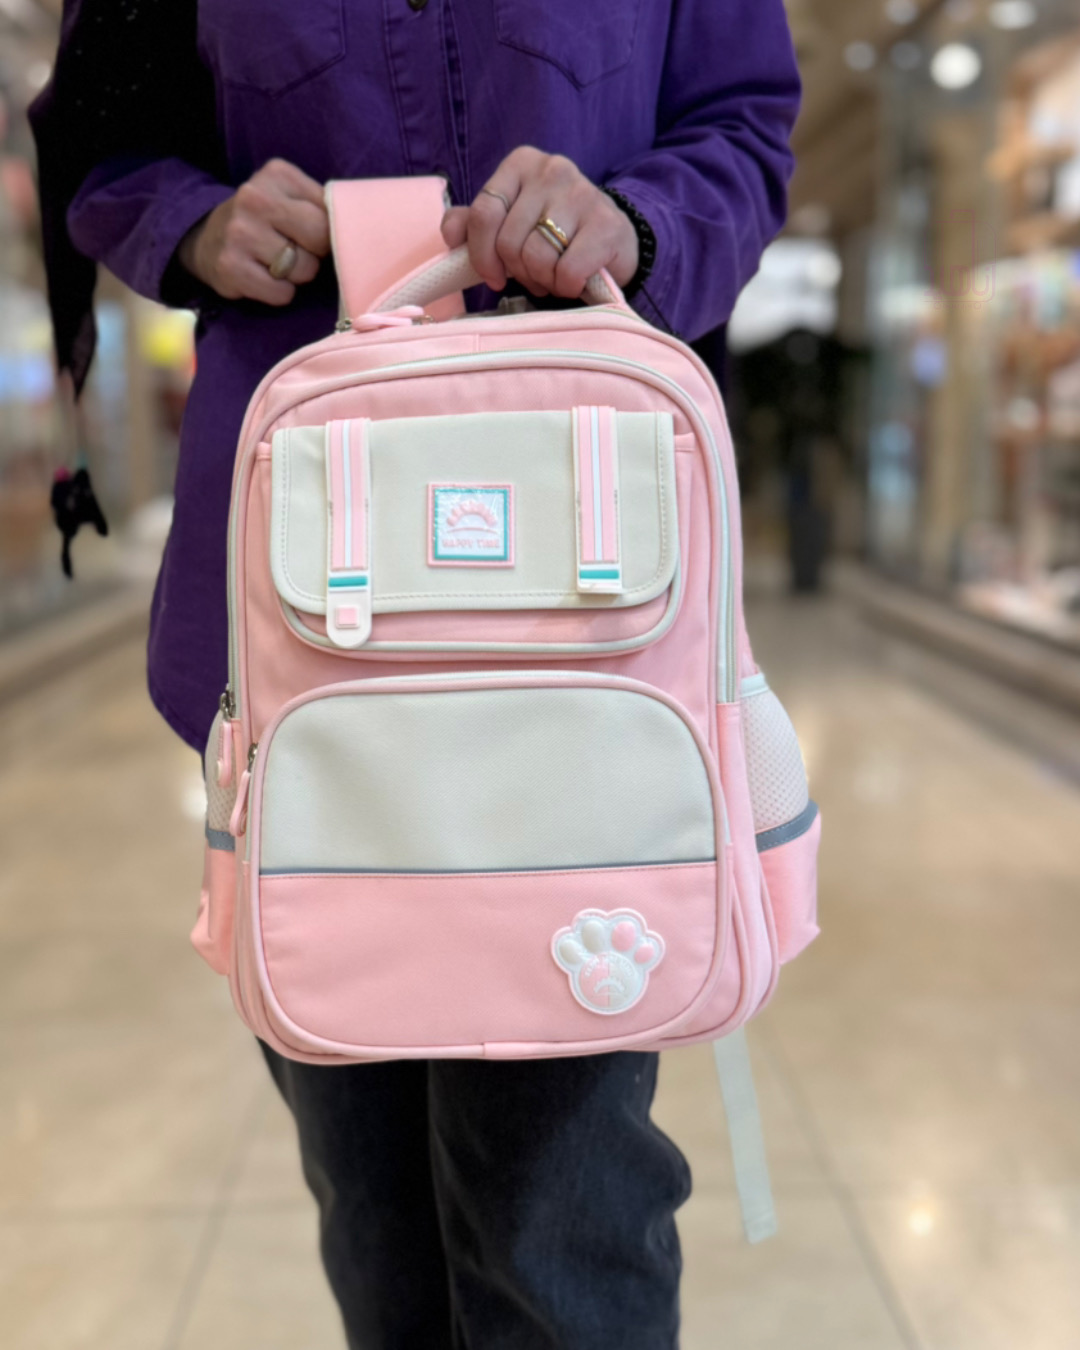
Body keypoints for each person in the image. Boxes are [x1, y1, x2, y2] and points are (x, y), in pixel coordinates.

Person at [32, 4, 800, 1346]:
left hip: (581, 623)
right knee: (371, 1196)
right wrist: (197, 225)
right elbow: (101, 142)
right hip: (301, 612)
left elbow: (742, 124)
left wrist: (636, 221)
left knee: (559, 1221)